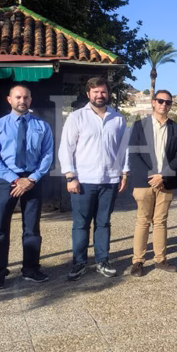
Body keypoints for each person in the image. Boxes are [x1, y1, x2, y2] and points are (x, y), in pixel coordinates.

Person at [59, 77, 129, 281]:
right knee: (81, 224)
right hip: (83, 180)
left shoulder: (118, 118)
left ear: (109, 93)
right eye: (96, 92)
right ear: (88, 94)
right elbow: (66, 148)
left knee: (104, 222)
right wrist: (70, 176)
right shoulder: (77, 117)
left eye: (103, 92)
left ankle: (102, 260)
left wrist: (125, 173)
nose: (100, 95)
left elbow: (124, 149)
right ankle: (79, 263)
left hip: (110, 179)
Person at [0, 84, 54, 289]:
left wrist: (31, 179)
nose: (22, 101)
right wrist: (15, 179)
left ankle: (31, 269)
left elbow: (47, 155)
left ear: (31, 100)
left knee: (32, 227)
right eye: (18, 97)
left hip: (33, 180)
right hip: (6, 180)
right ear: (9, 100)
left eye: (26, 97)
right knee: (0, 228)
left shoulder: (43, 126)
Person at [127, 89, 177, 276]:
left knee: (161, 221)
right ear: (153, 102)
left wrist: (164, 175)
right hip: (144, 182)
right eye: (160, 101)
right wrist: (152, 176)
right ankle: (138, 261)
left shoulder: (176, 128)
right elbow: (134, 154)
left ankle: (160, 259)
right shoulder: (139, 126)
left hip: (166, 182)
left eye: (168, 102)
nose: (164, 105)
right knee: (143, 221)